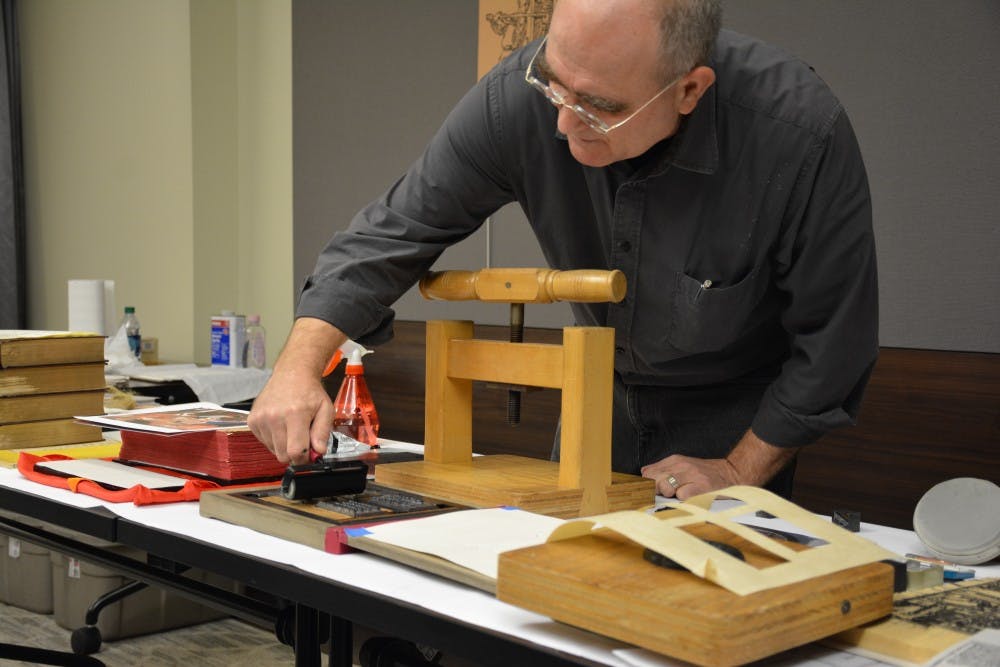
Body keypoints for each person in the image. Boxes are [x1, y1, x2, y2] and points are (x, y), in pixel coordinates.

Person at [249, 0, 877, 501]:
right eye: (555, 85)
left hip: (739, 419)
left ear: (689, 90)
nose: (563, 123)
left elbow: (834, 343)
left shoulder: (797, 133)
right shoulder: (519, 98)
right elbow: (390, 233)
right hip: (597, 398)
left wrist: (739, 472)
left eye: (600, 108)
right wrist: (299, 365)